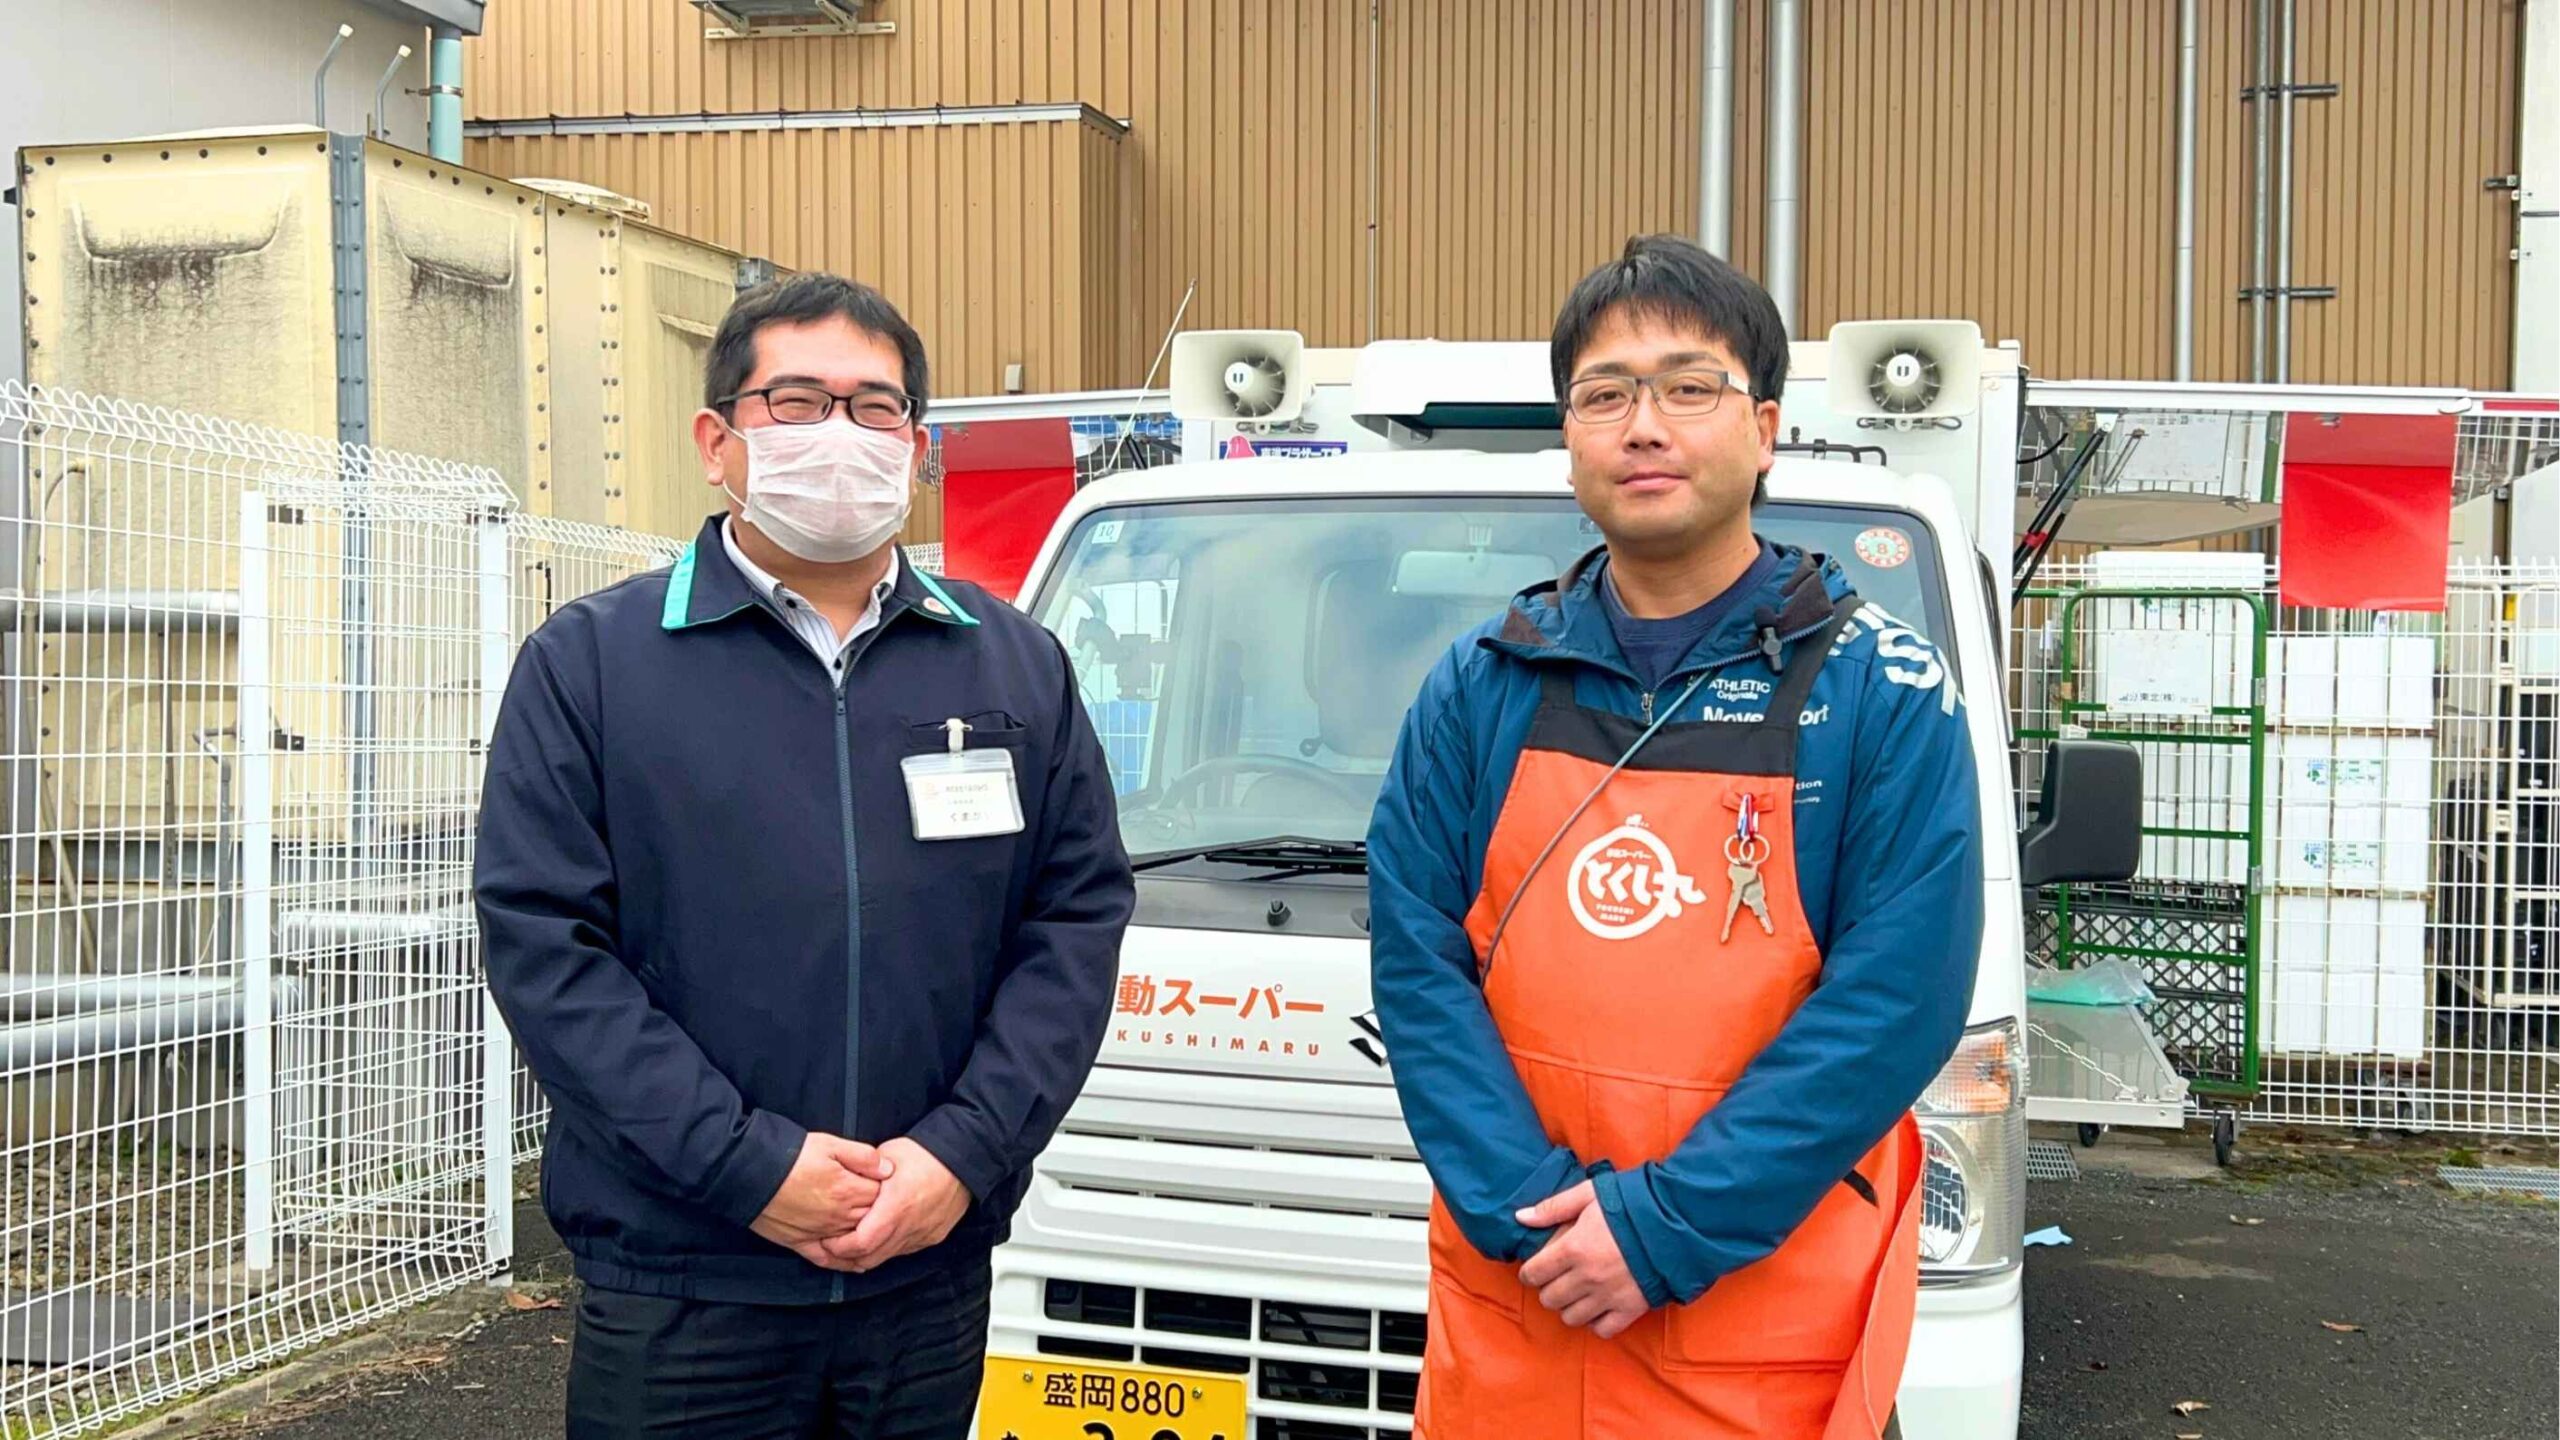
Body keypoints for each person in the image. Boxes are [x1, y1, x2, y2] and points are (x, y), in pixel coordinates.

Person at [474, 272, 1135, 1439]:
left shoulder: (1013, 669)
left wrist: (958, 1156)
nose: (840, 434)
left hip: (923, 1274)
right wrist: (749, 1169)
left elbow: (1072, 925)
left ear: (916, 449)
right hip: (685, 1283)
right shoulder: (592, 666)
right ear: (716, 441)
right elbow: (547, 951)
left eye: (875, 408)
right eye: (797, 400)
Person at [1367, 234, 1984, 1439]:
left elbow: (1893, 1003)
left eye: (1686, 387)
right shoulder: (1481, 685)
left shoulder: (1880, 692)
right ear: (1569, 438)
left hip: (1762, 1323)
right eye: (1604, 395)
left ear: (1762, 427)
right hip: (1522, 1299)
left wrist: (1661, 1229)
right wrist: (1527, 1209)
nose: (1641, 425)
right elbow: (1415, 959)